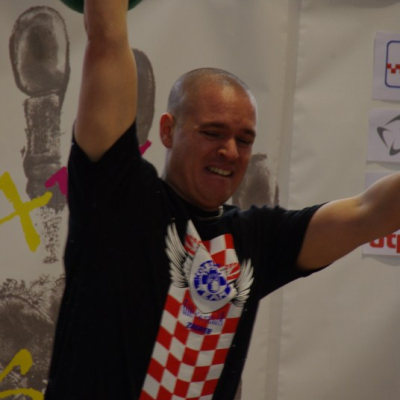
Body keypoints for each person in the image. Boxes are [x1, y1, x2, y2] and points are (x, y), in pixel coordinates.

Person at [45, 1, 400, 399]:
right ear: (167, 130)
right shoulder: (118, 193)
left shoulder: (258, 238)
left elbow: (372, 212)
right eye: (213, 133)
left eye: (244, 140)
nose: (230, 151)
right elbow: (107, 38)